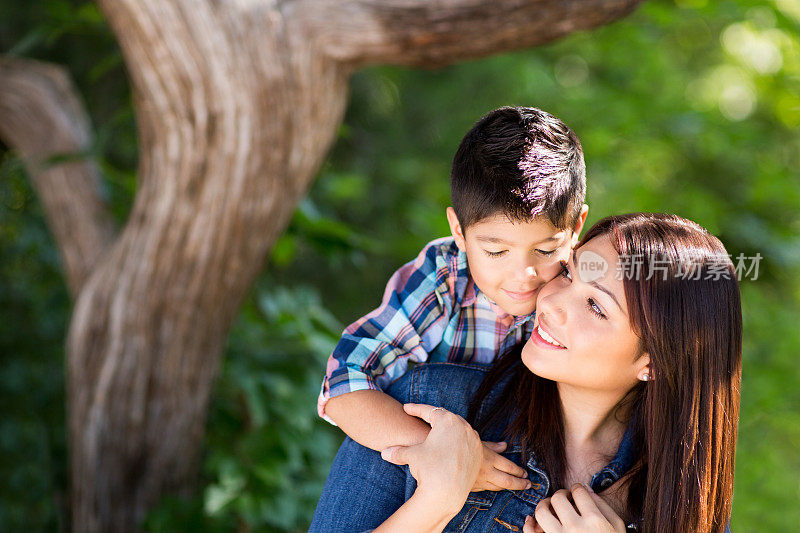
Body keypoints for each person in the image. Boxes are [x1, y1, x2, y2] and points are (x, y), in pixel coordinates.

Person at [310, 213, 741, 533]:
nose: (552, 302)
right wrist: (436, 501)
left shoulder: (685, 505)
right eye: (570, 273)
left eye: (595, 305)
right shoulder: (428, 404)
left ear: (655, 361)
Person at [318, 106, 589, 493]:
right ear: (459, 231)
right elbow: (345, 384)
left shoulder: (588, 287)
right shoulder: (443, 277)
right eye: (496, 252)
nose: (523, 275)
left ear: (576, 227)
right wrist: (450, 457)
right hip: (419, 470)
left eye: (546, 250)